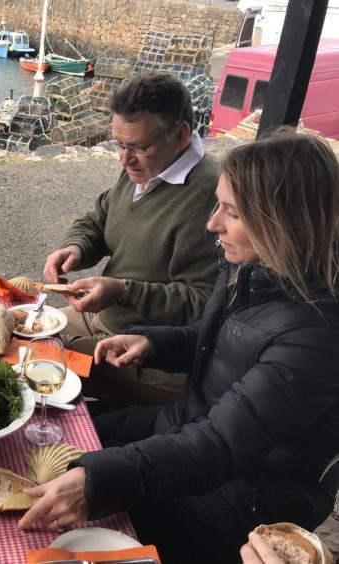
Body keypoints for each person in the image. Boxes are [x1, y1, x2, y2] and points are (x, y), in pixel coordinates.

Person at [19, 129, 339, 564]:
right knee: (56, 438)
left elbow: (221, 446)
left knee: (74, 524)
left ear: (283, 223)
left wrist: (98, 484)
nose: (213, 224)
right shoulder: (253, 267)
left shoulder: (315, 334)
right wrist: (153, 342)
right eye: (218, 205)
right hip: (192, 422)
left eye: (232, 212)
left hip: (249, 491)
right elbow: (225, 344)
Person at [42, 71, 219, 408]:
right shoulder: (148, 167)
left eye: (139, 147)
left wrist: (124, 291)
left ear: (181, 134)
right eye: (120, 145)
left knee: (29, 362)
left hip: (145, 355)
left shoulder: (210, 196)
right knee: (19, 335)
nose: (125, 160)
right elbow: (101, 216)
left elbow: (204, 300)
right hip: (103, 317)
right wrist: (76, 246)